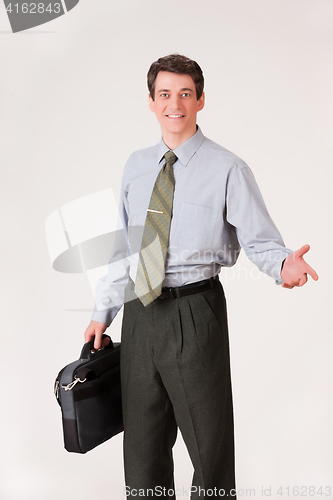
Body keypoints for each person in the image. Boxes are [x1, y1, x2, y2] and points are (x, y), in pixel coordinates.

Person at [84, 54, 318, 499]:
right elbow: (124, 248)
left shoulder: (228, 168)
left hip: (195, 312)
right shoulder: (136, 165)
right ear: (151, 102)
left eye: (186, 94)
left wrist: (284, 265)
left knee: (208, 446)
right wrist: (103, 312)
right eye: (166, 94)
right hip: (139, 312)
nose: (176, 104)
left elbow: (261, 241)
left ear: (201, 100)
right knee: (142, 445)